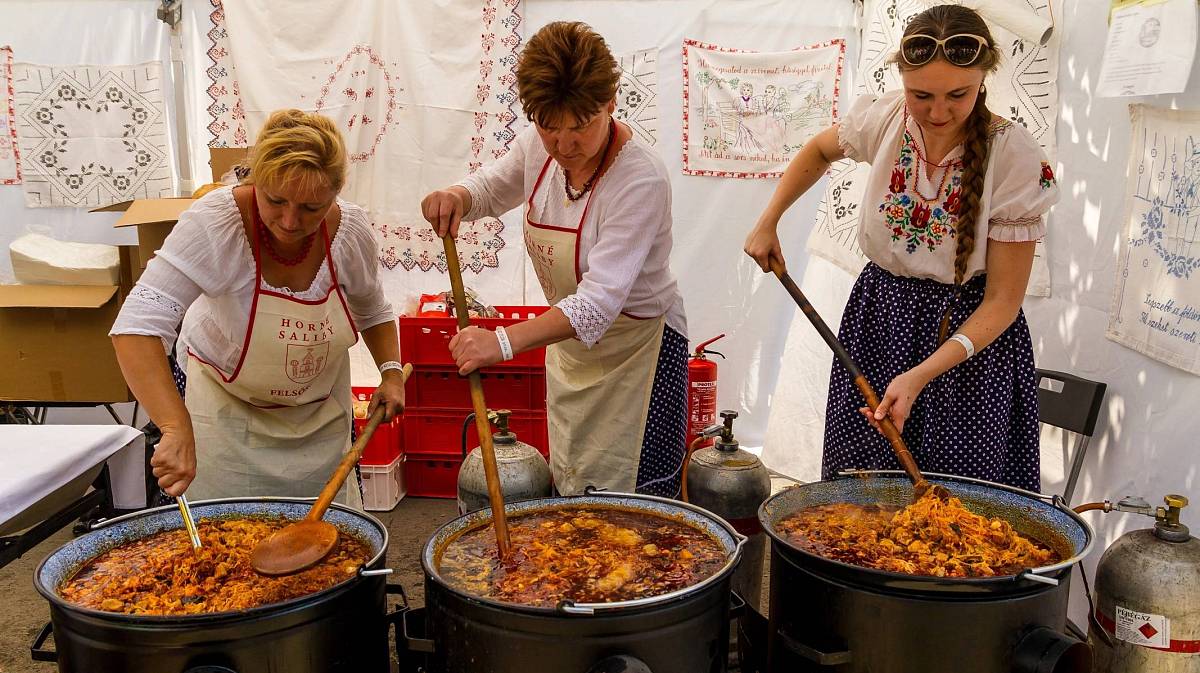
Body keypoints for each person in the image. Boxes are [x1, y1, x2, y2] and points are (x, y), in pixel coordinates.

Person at [745, 5, 1058, 491]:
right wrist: (769, 220)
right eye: (921, 95)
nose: (938, 112)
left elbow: (1002, 302)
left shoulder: (1013, 155)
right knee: (863, 491)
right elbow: (820, 150)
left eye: (959, 94)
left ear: (983, 79)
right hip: (879, 320)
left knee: (958, 505)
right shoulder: (887, 116)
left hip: (967, 349)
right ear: (902, 81)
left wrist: (920, 376)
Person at [421, 21, 687, 497]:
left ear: (610, 103)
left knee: (639, 510)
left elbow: (596, 305)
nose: (564, 145)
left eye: (581, 126)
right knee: (576, 490)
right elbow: (489, 188)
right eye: (549, 127)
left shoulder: (639, 180)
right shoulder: (536, 149)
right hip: (574, 353)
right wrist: (457, 196)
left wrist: (501, 343)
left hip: (638, 358)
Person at [111, 110, 405, 509]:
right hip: (227, 414)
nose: (289, 220)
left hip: (319, 418)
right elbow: (137, 326)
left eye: (311, 208)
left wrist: (390, 373)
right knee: (227, 542)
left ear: (336, 194)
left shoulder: (350, 231)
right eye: (276, 200)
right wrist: (174, 426)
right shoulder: (215, 225)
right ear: (255, 179)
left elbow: (372, 309)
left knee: (329, 542)